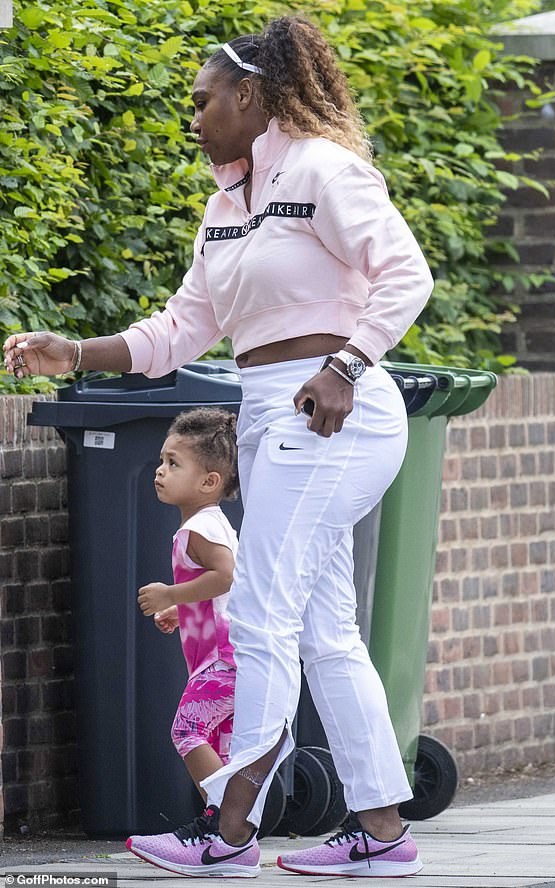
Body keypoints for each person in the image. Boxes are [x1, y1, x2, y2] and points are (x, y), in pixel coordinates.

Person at [4, 15, 434, 879]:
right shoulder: (226, 205)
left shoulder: (321, 169)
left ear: (249, 96)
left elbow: (406, 273)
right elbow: (179, 331)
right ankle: (383, 831)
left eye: (202, 102)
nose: (192, 118)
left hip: (333, 411)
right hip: (274, 413)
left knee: (263, 614)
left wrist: (346, 365)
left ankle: (229, 833)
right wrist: (78, 353)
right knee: (324, 630)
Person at [139, 407, 239, 801]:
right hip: (224, 657)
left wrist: (170, 594)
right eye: (162, 461)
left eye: (174, 463)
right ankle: (225, 831)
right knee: (215, 744)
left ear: (209, 481)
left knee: (188, 731)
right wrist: (182, 614)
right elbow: (221, 595)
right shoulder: (210, 523)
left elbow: (225, 576)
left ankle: (228, 823)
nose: (160, 470)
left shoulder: (199, 529)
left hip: (222, 660)